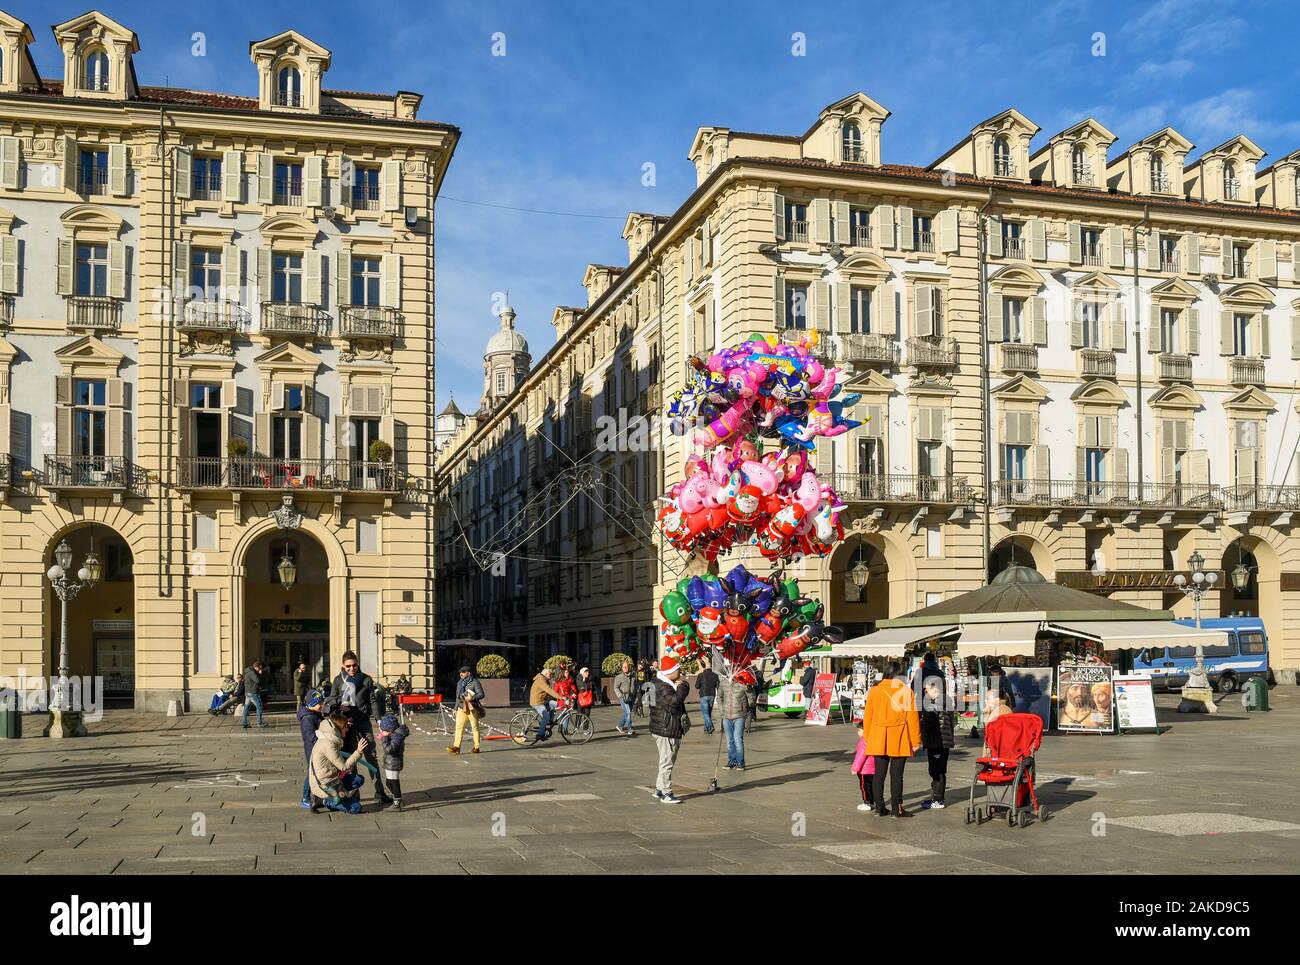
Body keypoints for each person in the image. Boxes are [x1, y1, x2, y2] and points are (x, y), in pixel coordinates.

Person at [331, 651, 393, 806]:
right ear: (343, 666)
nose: (352, 669)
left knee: (371, 757)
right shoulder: (338, 681)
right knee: (352, 759)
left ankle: (380, 792)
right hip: (347, 725)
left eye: (354, 665)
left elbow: (372, 701)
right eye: (348, 666)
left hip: (364, 723)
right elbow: (331, 700)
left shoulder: (366, 679)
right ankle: (354, 793)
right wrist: (340, 708)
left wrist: (379, 720)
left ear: (358, 664)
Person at [861, 660, 921, 818]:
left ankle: (879, 807)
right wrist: (916, 740)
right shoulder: (906, 691)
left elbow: (868, 716)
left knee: (879, 775)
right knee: (897, 775)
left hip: (878, 735)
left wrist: (867, 736)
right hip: (899, 736)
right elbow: (912, 718)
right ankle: (896, 809)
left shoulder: (875, 691)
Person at [649, 654, 689, 804]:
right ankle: (666, 792)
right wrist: (683, 686)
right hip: (667, 727)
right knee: (667, 761)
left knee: (664, 759)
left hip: (660, 726)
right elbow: (674, 701)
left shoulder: (656, 682)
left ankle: (659, 789)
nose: (680, 673)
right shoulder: (665, 686)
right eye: (678, 670)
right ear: (671, 672)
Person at [309, 712, 367, 814]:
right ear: (338, 729)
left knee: (358, 779)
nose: (347, 729)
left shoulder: (327, 739)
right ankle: (325, 801)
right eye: (345, 727)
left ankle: (338, 799)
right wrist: (358, 751)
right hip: (325, 785)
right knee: (356, 808)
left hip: (333, 779)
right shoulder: (328, 745)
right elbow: (344, 767)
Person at [919, 671, 956, 810]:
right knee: (936, 770)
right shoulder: (945, 701)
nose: (925, 691)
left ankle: (939, 799)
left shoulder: (937, 703)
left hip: (937, 741)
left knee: (937, 770)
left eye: (927, 689)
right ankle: (935, 797)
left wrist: (921, 722)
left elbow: (930, 723)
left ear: (935, 688)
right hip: (941, 741)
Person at [296, 688, 326, 809]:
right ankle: (305, 797)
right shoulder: (307, 718)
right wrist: (321, 742)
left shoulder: (315, 714)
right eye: (319, 703)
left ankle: (319, 795)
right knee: (312, 772)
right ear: (311, 703)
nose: (321, 705)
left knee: (317, 772)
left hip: (318, 748)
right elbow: (309, 736)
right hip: (313, 749)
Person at [718, 669, 753, 770]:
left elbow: (752, 701)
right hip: (726, 716)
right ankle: (731, 761)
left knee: (738, 739)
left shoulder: (743, 683)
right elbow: (719, 697)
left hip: (739, 715)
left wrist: (750, 690)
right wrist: (721, 710)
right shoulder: (723, 683)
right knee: (729, 741)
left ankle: (740, 763)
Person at [448, 665, 486, 754]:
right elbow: (457, 697)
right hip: (462, 708)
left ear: (468, 673)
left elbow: (481, 694)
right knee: (458, 727)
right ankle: (456, 747)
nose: (461, 674)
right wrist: (455, 708)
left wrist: (471, 698)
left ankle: (476, 747)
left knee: (475, 727)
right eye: (460, 672)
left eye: (463, 672)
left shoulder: (475, 682)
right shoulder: (459, 683)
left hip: (472, 708)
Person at [377, 713, 409, 812]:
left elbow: (389, 749)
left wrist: (384, 738)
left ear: (389, 730)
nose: (381, 732)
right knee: (389, 782)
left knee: (394, 783)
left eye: (383, 730)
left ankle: (397, 803)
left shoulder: (397, 737)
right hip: (390, 762)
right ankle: (397, 798)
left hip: (394, 763)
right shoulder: (394, 735)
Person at [528, 666, 562, 741]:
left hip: (542, 701)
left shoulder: (544, 679)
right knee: (546, 716)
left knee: (555, 704)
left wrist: (561, 699)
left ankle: (549, 721)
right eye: (550, 675)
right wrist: (560, 697)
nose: (551, 676)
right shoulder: (541, 680)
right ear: (546, 674)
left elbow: (548, 692)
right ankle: (540, 734)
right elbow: (549, 690)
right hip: (537, 702)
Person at [850, 726, 876, 812]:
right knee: (871, 786)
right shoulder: (873, 739)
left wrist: (855, 768)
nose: (858, 732)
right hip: (873, 769)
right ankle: (872, 802)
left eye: (860, 730)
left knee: (864, 787)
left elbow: (860, 756)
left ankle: (867, 803)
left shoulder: (863, 741)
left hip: (864, 770)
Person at [241, 661, 268, 728]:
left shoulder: (249, 672)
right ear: (256, 667)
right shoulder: (252, 673)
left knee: (246, 708)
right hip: (253, 693)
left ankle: (244, 723)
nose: (260, 669)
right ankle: (259, 723)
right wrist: (260, 674)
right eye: (260, 668)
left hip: (248, 693)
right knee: (259, 707)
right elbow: (257, 681)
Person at [613, 660, 637, 736]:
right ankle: (630, 728)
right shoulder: (619, 677)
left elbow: (635, 685)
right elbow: (615, 688)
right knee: (628, 712)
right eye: (624, 667)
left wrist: (635, 694)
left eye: (627, 667)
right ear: (622, 668)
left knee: (627, 713)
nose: (625, 668)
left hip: (631, 697)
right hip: (623, 697)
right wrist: (620, 696)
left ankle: (619, 725)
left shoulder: (633, 675)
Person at [695, 662, 719, 735]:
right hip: (712, 695)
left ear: (704, 667)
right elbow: (717, 686)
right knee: (708, 713)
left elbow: (697, 686)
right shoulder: (715, 675)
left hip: (703, 695)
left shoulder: (700, 675)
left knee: (705, 713)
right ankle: (706, 728)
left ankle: (710, 726)